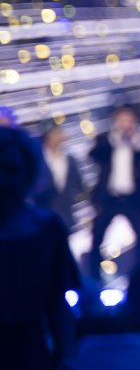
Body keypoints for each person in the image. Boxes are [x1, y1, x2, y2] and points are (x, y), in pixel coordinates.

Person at [0, 124, 80, 369]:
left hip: (30, 351)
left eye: (11, 170)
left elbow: (58, 302)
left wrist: (64, 356)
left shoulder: (48, 229)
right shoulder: (46, 227)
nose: (4, 180)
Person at [88, 105, 140, 280]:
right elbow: (93, 155)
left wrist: (135, 141)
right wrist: (116, 139)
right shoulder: (106, 140)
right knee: (97, 239)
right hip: (108, 199)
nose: (126, 123)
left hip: (133, 199)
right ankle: (93, 280)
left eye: (129, 119)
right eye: (122, 119)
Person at [33, 125, 85, 230]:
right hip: (43, 212)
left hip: (65, 213)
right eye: (58, 132)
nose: (62, 135)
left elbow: (78, 184)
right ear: (49, 135)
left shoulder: (69, 159)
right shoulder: (38, 160)